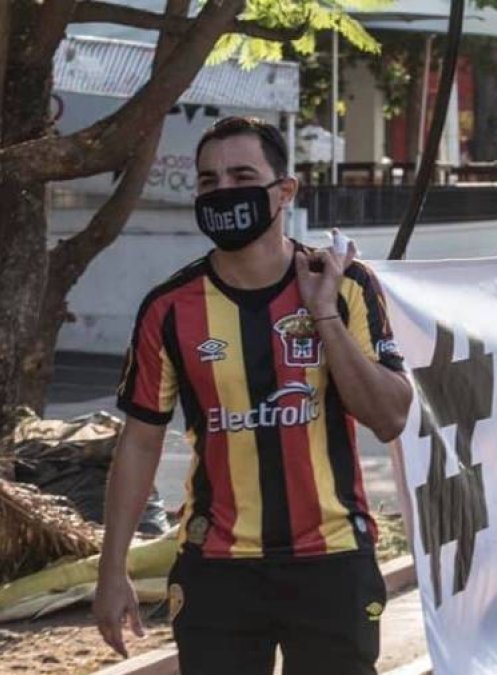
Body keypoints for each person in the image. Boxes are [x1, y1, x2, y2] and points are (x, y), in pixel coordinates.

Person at [93, 117, 413, 674]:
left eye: (242, 175)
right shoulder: (168, 308)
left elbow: (388, 416)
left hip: (331, 561)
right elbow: (141, 441)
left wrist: (323, 314)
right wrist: (111, 567)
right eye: (208, 181)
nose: (224, 191)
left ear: (285, 190)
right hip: (216, 569)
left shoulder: (346, 284)